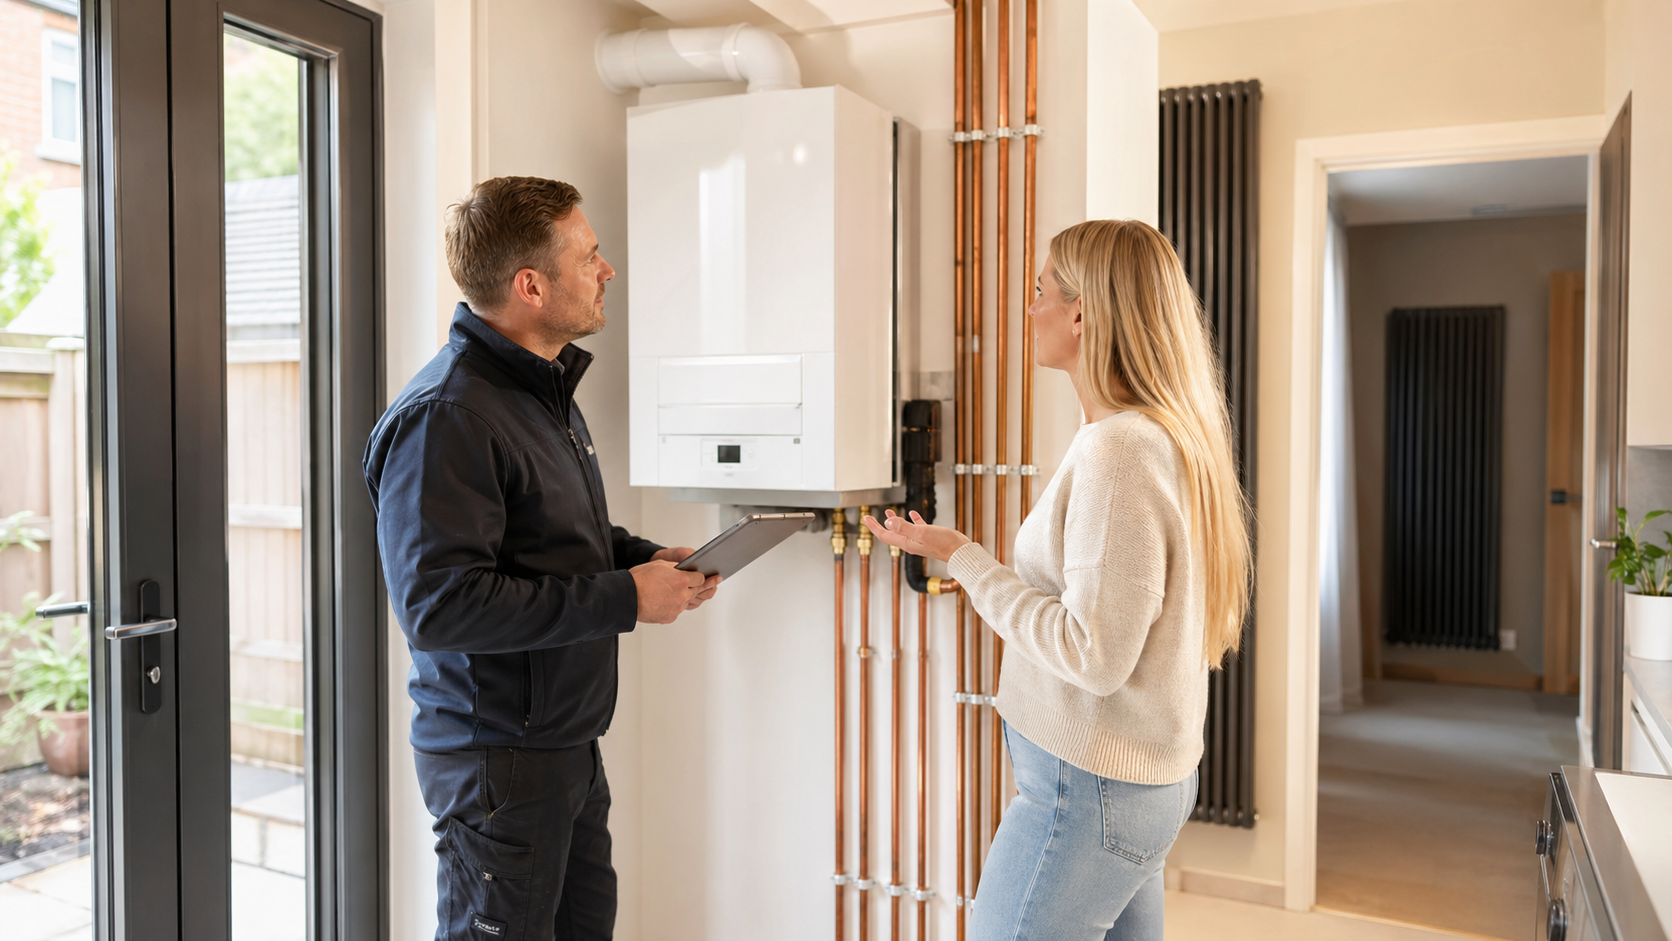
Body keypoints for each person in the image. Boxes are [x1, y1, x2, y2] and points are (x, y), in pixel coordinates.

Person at [863, 219, 1251, 941]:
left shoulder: (1120, 452)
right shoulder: (1145, 436)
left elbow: (1092, 653)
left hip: (1087, 792)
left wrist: (965, 556)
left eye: (1040, 291)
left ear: (1081, 313)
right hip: (1120, 788)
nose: (1029, 309)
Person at [363, 176, 720, 941]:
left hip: (564, 747)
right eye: (589, 255)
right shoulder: (446, 417)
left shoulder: (538, 390)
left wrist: (645, 558)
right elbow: (441, 607)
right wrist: (626, 596)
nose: (607, 269)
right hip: (499, 763)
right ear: (530, 284)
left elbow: (550, 538)